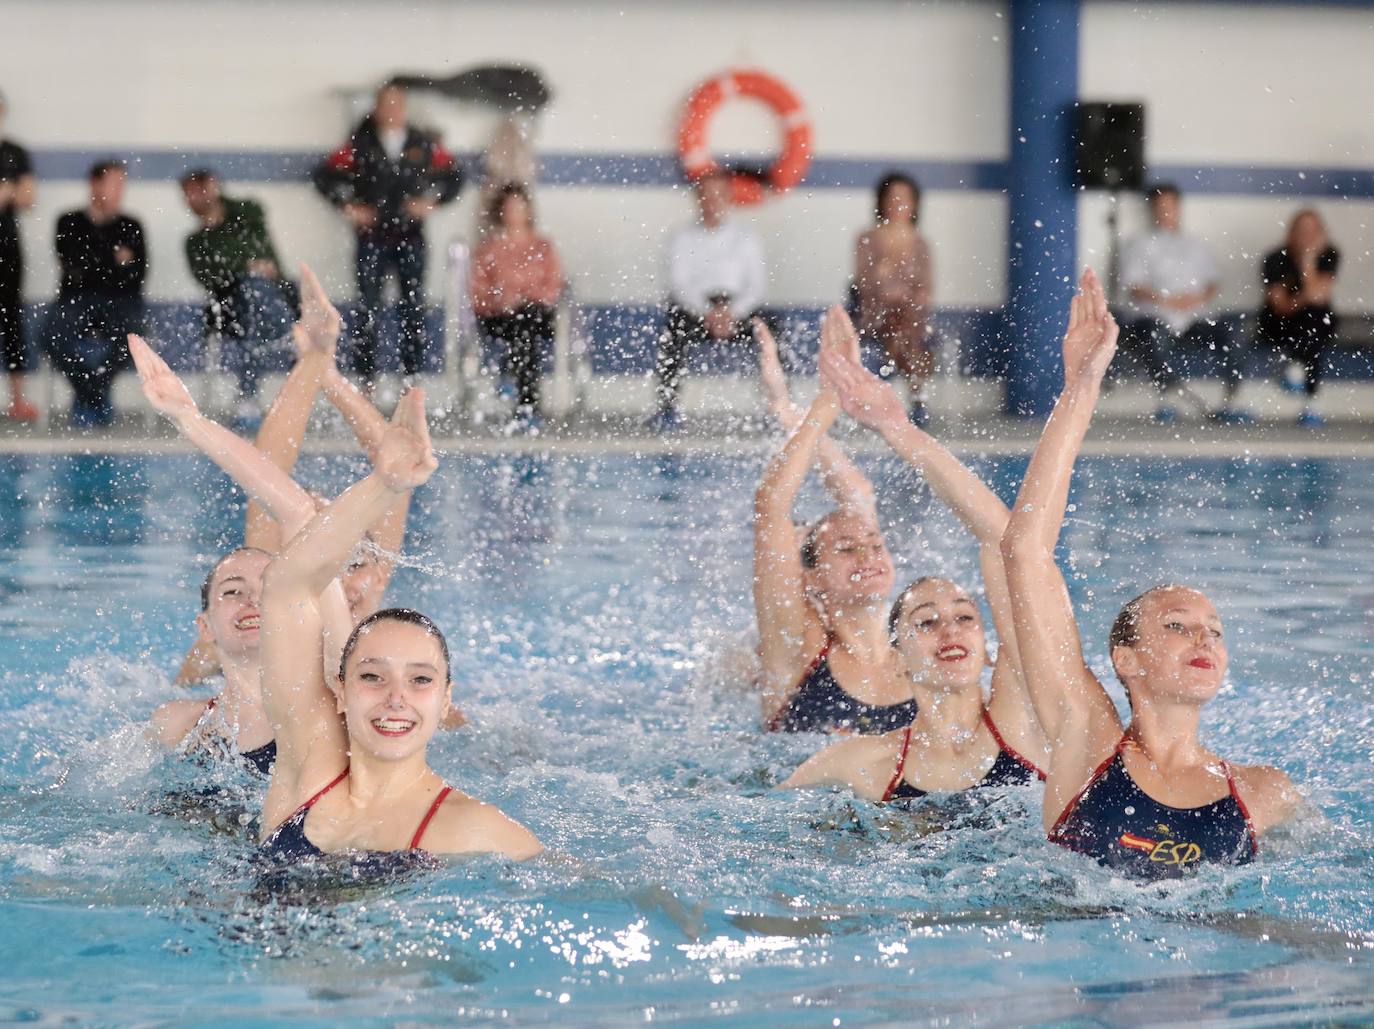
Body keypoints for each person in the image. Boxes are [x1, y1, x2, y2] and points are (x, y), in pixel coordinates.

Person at [1000, 268, 1301, 880]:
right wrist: (1081, 388)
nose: (1206, 640)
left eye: (1214, 631)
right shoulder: (1087, 744)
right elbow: (1025, 551)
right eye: (1178, 626)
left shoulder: (1263, 794)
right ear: (1126, 661)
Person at [256, 388, 541, 862]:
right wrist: (383, 484)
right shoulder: (306, 773)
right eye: (372, 676)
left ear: (446, 697)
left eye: (420, 680)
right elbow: (286, 586)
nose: (396, 698)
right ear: (340, 689)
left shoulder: (475, 827)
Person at [781, 343, 1049, 800]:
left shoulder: (1023, 726)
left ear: (988, 651)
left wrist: (896, 428)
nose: (950, 629)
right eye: (925, 621)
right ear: (899, 657)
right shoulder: (862, 764)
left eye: (965, 617)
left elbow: (1005, 542)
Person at [754, 307, 916, 735]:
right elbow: (772, 508)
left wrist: (792, 413)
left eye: (876, 545)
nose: (868, 554)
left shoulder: (923, 647)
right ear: (811, 579)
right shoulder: (797, 643)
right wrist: (826, 403)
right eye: (845, 550)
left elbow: (859, 497)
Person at [313, 81, 462, 387]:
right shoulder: (360, 144)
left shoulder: (422, 143)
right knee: (368, 310)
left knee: (413, 309)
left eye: (397, 105)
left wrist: (431, 202)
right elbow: (324, 176)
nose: (392, 111)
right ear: (376, 109)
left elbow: (454, 176)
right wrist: (348, 205)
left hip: (411, 237)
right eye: (386, 105)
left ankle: (411, 382)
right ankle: (367, 381)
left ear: (405, 109)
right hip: (372, 238)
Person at [1119, 184, 1244, 422]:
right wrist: (1166, 299)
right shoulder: (1139, 244)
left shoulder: (1196, 245)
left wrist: (1197, 298)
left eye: (1170, 206)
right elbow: (1133, 285)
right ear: (1152, 210)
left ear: (1179, 208)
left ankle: (1231, 400)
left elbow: (1212, 281)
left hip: (1195, 317)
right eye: (1160, 207)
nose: (1166, 212)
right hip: (1156, 315)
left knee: (1233, 332)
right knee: (1154, 334)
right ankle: (1167, 397)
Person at [651, 169, 766, 429]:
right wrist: (707, 312)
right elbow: (678, 286)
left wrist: (732, 313)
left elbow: (755, 287)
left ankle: (776, 405)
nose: (712, 201)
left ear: (728, 198)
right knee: (672, 334)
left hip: (738, 308)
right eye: (705, 195)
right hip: (696, 309)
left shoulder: (746, 238)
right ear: (697, 198)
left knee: (770, 334)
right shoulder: (680, 237)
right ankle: (667, 409)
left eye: (718, 194)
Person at [180, 168, 294, 422]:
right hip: (229, 304)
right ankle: (289, 336)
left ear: (212, 187)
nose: (191, 200)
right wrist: (247, 268)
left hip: (275, 293)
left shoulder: (246, 215)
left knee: (257, 300)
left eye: (196, 192)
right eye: (187, 195)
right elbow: (208, 277)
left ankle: (248, 395)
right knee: (253, 298)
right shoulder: (195, 241)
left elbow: (255, 212)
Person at [45, 160, 145, 428]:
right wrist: (115, 261)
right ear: (94, 184)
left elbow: (137, 278)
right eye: (114, 184)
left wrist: (96, 263)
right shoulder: (68, 222)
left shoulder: (132, 225)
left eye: (122, 185)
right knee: (49, 335)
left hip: (120, 302)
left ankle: (88, 394)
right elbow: (73, 268)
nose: (120, 191)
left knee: (135, 336)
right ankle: (94, 394)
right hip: (76, 300)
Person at [470, 183, 563, 428]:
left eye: (519, 208)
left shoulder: (543, 247)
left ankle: (511, 372)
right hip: (500, 319)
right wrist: (501, 301)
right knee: (523, 331)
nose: (515, 213)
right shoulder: (488, 249)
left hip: (537, 316)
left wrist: (525, 298)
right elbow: (478, 294)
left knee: (527, 321)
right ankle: (528, 404)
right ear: (500, 211)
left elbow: (553, 287)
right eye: (510, 208)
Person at [853, 172, 934, 426]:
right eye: (892, 198)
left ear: (914, 204)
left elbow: (926, 290)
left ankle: (891, 393)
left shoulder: (921, 244)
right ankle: (915, 393)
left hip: (909, 316)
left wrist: (905, 296)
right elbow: (863, 284)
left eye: (904, 199)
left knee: (905, 324)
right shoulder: (867, 239)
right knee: (898, 327)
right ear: (882, 202)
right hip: (874, 314)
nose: (897, 204)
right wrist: (887, 289)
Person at [1259, 209, 1339, 428]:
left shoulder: (1328, 255)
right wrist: (1307, 295)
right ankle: (1303, 382)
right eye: (1302, 230)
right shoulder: (1275, 259)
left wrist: (1308, 261)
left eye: (1313, 231)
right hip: (1280, 324)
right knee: (1311, 320)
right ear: (1291, 234)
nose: (1307, 236)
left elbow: (1319, 297)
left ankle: (1298, 373)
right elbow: (1282, 307)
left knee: (1317, 319)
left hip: (1313, 325)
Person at [0, 90, 38, 422]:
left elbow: (27, 197)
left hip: (7, 248)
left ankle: (18, 399)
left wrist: (10, 193)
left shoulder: (15, 153)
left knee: (11, 321)